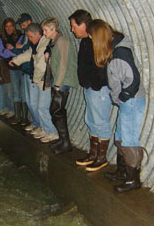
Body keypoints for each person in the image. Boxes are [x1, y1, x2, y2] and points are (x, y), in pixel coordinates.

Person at [87, 19, 145, 193]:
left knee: (129, 140)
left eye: (91, 37)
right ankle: (122, 172)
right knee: (120, 135)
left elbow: (133, 79)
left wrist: (123, 96)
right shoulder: (114, 48)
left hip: (132, 101)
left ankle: (133, 180)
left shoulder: (120, 52)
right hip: (127, 101)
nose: (90, 40)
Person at [69, 10, 112, 171]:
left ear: (83, 25)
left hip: (98, 90)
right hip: (90, 89)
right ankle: (93, 154)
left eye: (74, 26)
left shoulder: (96, 40)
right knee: (91, 121)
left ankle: (101, 158)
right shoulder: (86, 41)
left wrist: (96, 85)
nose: (72, 30)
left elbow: (102, 65)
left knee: (101, 122)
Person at [9, 23, 57, 142]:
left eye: (31, 37)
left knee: (42, 107)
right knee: (35, 104)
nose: (29, 39)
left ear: (38, 34)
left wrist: (35, 78)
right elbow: (28, 54)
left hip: (44, 80)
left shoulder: (45, 44)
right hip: (38, 79)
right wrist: (15, 61)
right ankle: (43, 127)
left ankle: (51, 131)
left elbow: (41, 66)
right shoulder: (36, 44)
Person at [42, 17, 79, 152]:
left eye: (45, 30)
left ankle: (66, 143)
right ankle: (63, 141)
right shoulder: (54, 41)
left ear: (53, 29)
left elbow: (63, 64)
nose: (44, 33)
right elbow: (57, 61)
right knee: (58, 111)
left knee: (55, 111)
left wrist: (57, 83)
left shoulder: (62, 41)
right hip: (58, 80)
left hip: (62, 81)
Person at [0, 18, 22, 119]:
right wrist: (11, 50)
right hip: (10, 67)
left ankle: (21, 114)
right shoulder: (1, 37)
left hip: (21, 66)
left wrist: (8, 50)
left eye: (11, 26)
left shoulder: (20, 35)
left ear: (14, 26)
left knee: (22, 91)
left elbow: (19, 51)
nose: (9, 28)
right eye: (7, 27)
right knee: (12, 90)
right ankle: (14, 111)